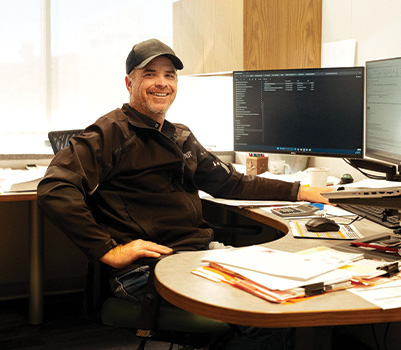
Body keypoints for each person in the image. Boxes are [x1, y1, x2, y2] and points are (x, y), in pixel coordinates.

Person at [37, 38, 331, 349]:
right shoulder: (111, 132)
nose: (161, 83)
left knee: (287, 289)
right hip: (150, 269)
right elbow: (55, 189)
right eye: (149, 74)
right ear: (129, 82)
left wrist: (298, 190)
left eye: (169, 75)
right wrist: (108, 250)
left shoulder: (179, 136)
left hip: (197, 254)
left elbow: (228, 182)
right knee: (264, 313)